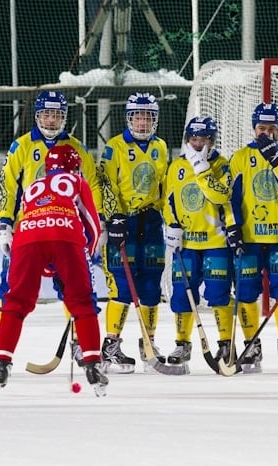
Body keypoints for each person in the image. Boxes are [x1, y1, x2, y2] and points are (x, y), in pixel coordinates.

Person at [0, 90, 102, 364]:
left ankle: (79, 341)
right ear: (37, 116)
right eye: (46, 114)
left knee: (74, 288)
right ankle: (1, 340)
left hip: (66, 231)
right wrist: (5, 224)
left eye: (56, 115)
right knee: (11, 287)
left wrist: (97, 221)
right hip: (28, 228)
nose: (51, 120)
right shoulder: (21, 146)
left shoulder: (78, 148)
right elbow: (8, 187)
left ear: (64, 117)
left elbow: (93, 187)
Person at [0, 144, 108, 396]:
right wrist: (80, 259)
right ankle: (92, 365)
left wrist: (50, 268)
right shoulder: (77, 181)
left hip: (26, 240)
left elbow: (33, 229)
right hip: (66, 236)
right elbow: (93, 227)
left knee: (16, 302)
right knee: (82, 303)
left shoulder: (32, 187)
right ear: (75, 167)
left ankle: (1, 361)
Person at [227, 102, 278, 374]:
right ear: (253, 128)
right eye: (262, 128)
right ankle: (251, 344)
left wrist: (276, 158)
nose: (267, 134)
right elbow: (232, 197)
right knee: (246, 292)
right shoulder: (239, 157)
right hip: (249, 237)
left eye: (272, 129)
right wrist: (232, 227)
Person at [99, 92, 169, 373]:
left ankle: (148, 343)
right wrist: (113, 216)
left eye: (148, 117)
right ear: (129, 118)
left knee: (152, 286)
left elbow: (164, 187)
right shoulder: (114, 147)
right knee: (123, 286)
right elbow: (105, 184)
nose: (142, 122)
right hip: (122, 223)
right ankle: (111, 345)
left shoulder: (161, 146)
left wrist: (172, 219)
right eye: (138, 116)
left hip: (151, 223)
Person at [162, 116, 235, 371]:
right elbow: (169, 200)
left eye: (203, 139)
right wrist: (172, 226)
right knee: (183, 294)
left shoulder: (222, 165)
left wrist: (202, 168)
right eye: (193, 139)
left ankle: (226, 343)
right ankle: (182, 344)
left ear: (211, 141)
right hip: (188, 243)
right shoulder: (177, 166)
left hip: (216, 241)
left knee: (218, 294)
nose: (197, 144)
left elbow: (220, 194)